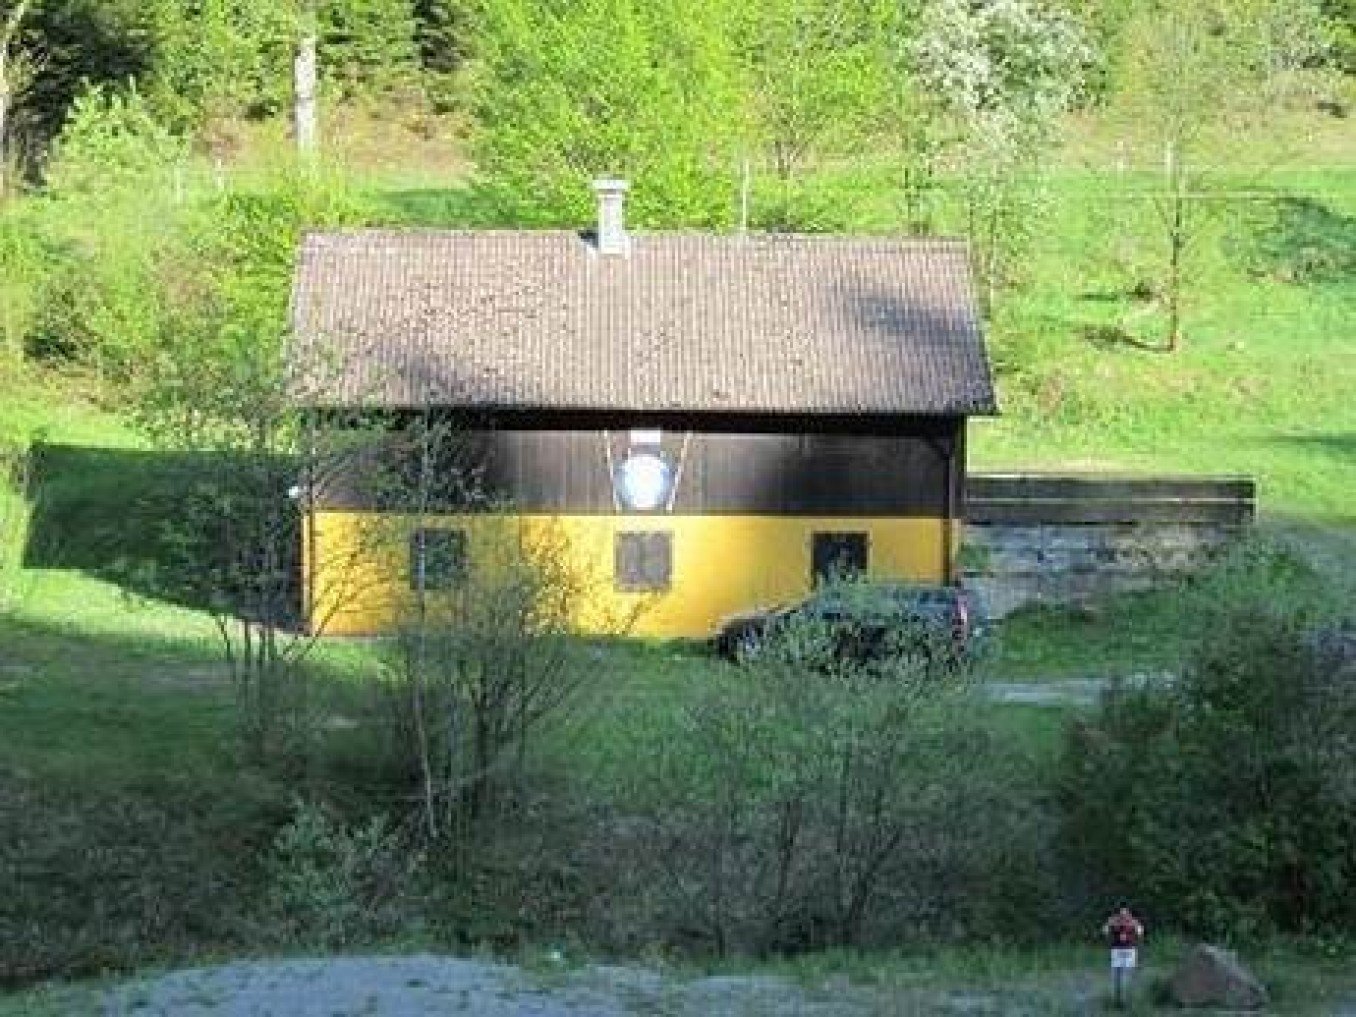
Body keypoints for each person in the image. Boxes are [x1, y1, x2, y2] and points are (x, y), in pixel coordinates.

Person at [1102, 906, 1145, 1007]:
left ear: (1129, 914)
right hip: (1117, 950)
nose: (1123, 917)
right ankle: (1116, 1000)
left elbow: (1140, 933)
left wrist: (1135, 925)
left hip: (1130, 950)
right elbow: (1105, 932)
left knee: (1127, 975)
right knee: (1115, 976)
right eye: (1122, 914)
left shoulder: (1134, 922)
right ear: (1119, 915)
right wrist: (1109, 924)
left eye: (1125, 914)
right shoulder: (1113, 922)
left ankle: (1126, 1001)